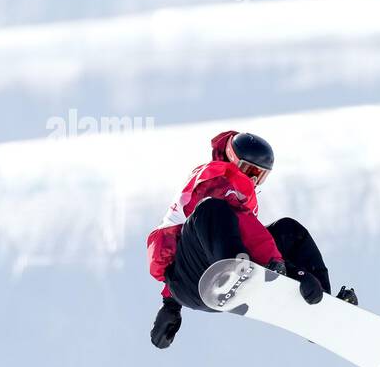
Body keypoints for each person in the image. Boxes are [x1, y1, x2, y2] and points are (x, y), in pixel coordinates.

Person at [146, 130, 356, 349]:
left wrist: (171, 307)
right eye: (250, 170)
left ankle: (319, 307)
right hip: (192, 278)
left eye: (261, 174)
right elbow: (179, 248)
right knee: (213, 210)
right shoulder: (215, 178)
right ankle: (236, 268)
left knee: (290, 232)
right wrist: (289, 270)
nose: (254, 179)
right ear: (232, 159)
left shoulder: (241, 193)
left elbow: (248, 234)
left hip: (211, 274)